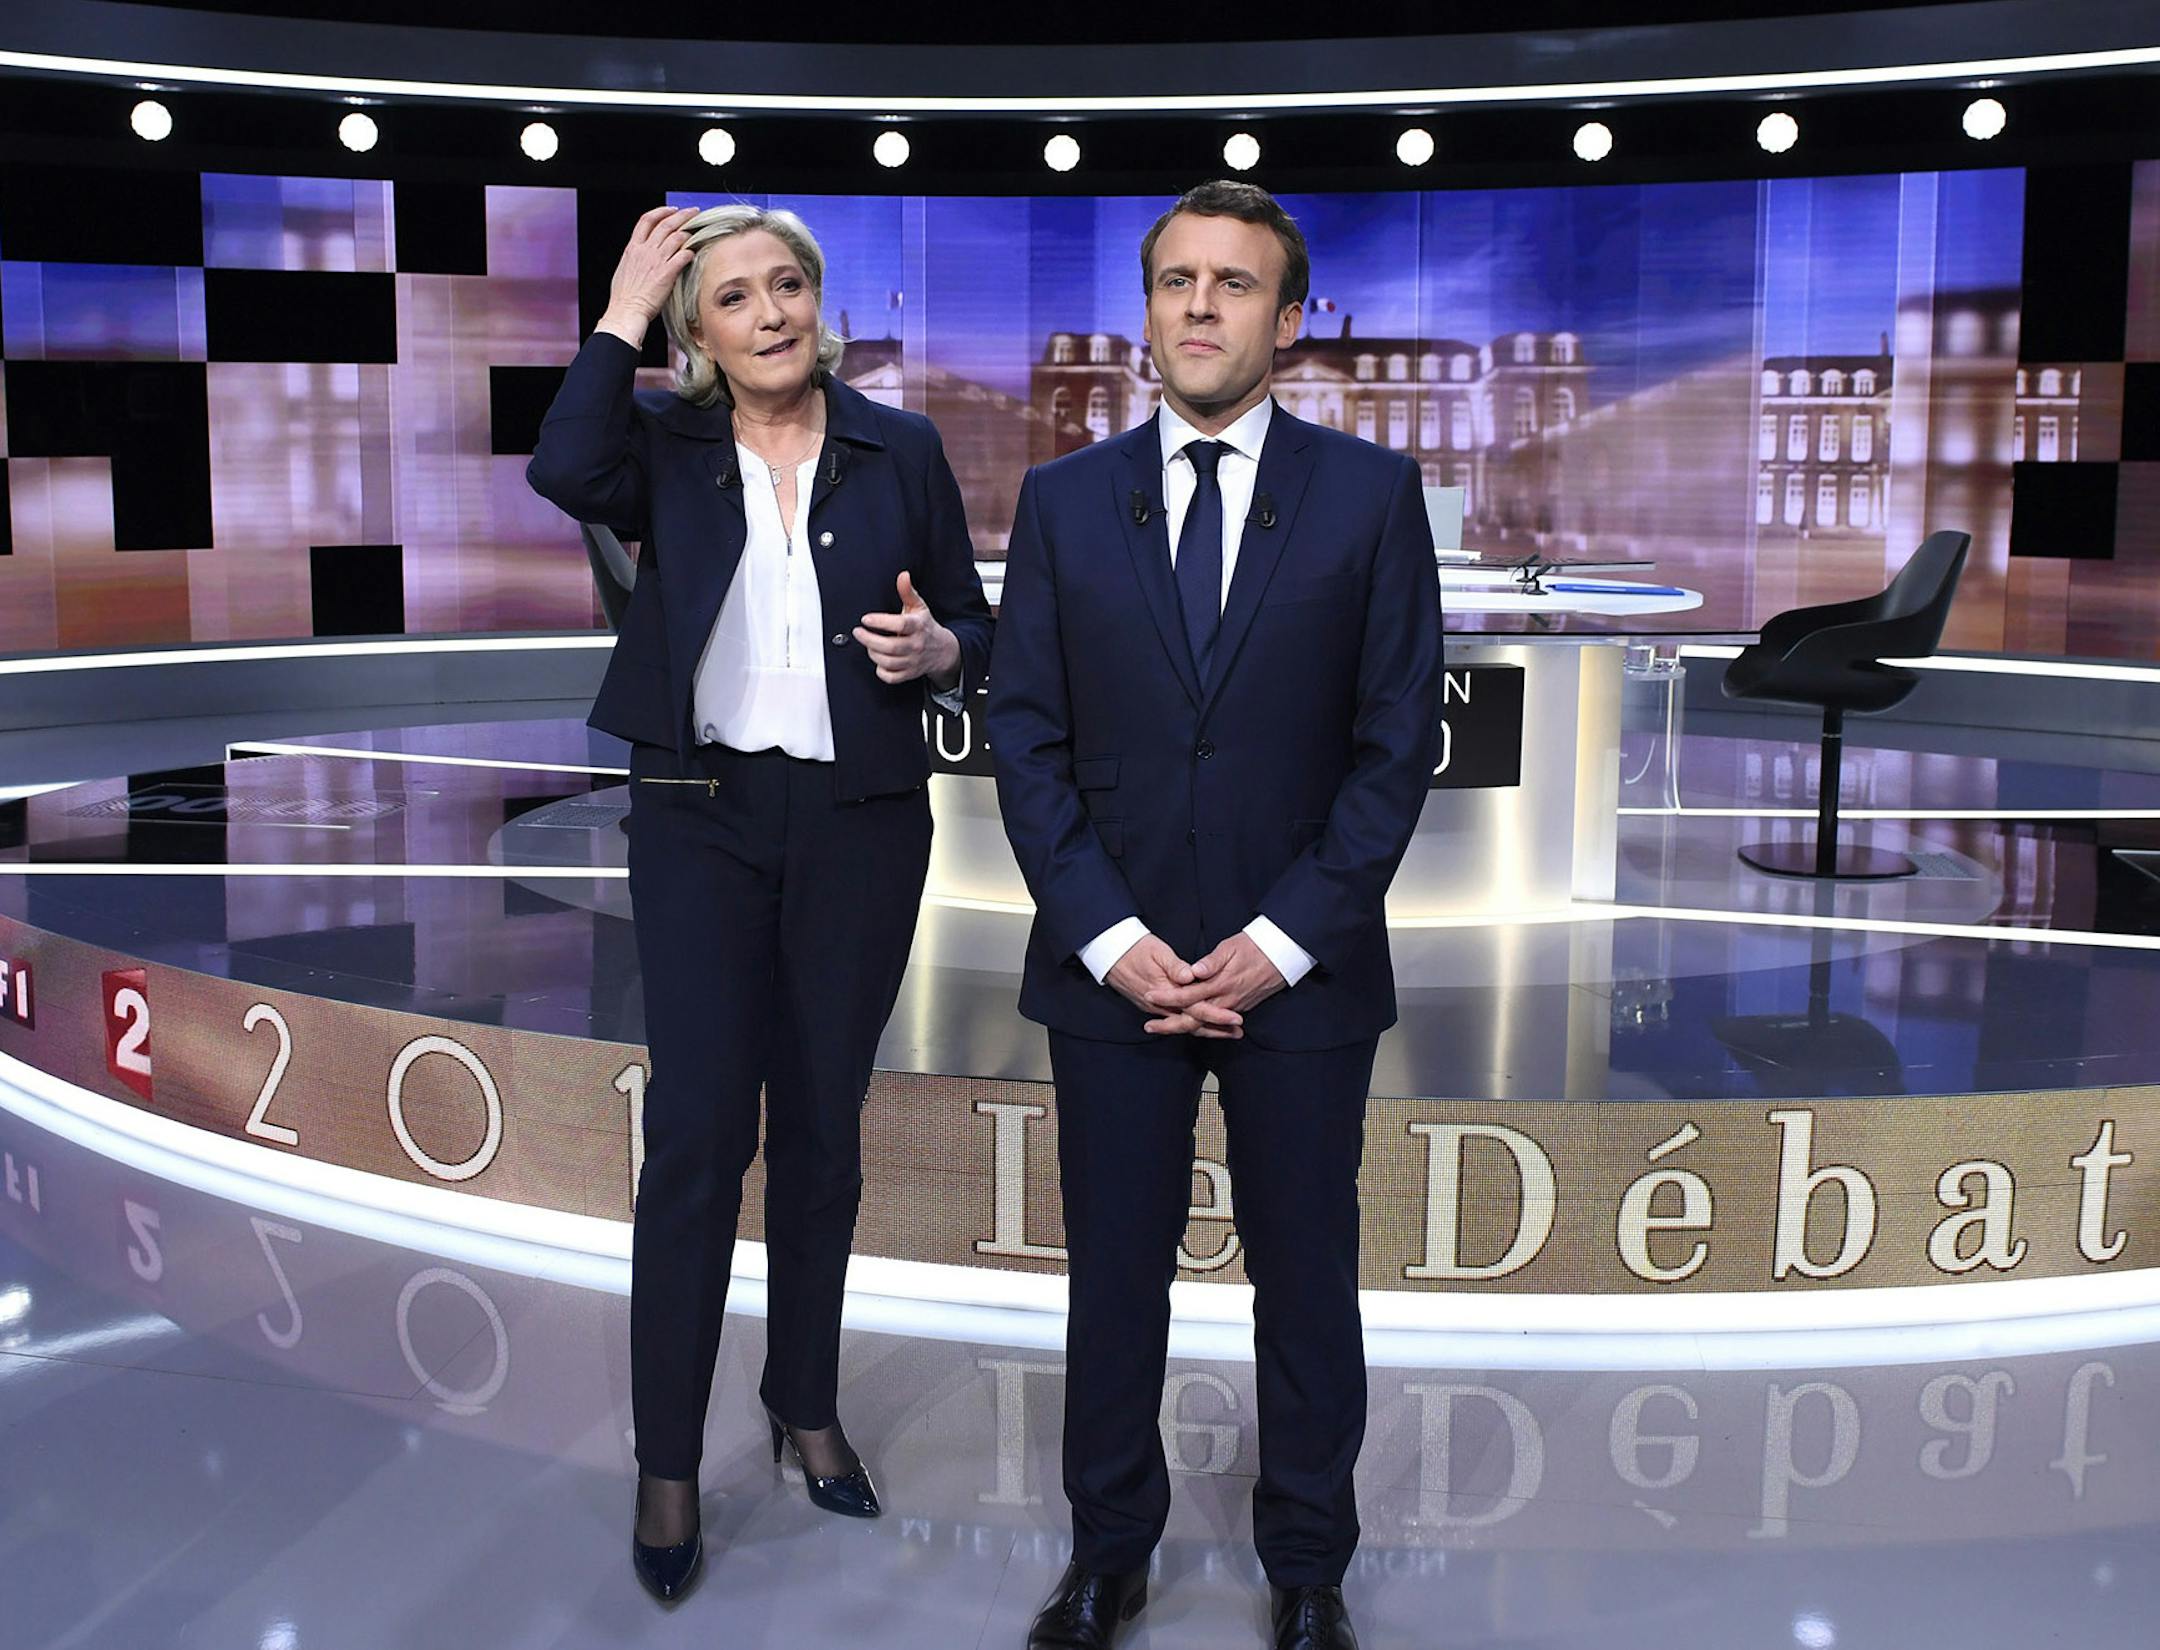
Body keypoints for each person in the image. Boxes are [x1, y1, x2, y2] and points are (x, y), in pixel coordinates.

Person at [986, 180, 1445, 1650]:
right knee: (1111, 1280)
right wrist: (1117, 943)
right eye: (1176, 279)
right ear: (1147, 308)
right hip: (1109, 970)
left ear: (1287, 318)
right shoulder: (1062, 502)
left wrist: (1283, 938)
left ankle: (1307, 1566)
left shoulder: (1373, 497)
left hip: (1298, 975)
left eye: (1232, 283)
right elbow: (1030, 739)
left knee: (1305, 1281)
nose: (1199, 305)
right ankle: (1107, 1553)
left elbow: (1393, 751)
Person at [527, 203, 992, 1605]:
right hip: (699, 821)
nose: (774, 311)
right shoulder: (660, 448)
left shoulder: (899, 448)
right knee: (696, 1140)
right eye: (736, 297)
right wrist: (617, 313)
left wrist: (942, 646)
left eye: (790, 283)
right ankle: (670, 1458)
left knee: (823, 1142)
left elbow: (975, 621)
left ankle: (805, 1404)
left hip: (858, 827)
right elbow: (561, 463)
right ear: (700, 335)